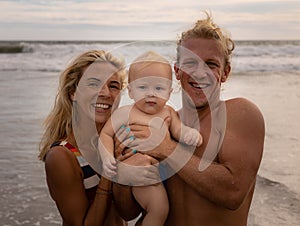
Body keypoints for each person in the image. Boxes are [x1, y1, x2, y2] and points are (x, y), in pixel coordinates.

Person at [113, 12, 265, 226]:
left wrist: (166, 148)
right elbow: (129, 211)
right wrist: (123, 172)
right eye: (190, 62)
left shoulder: (240, 113)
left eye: (211, 64)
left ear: (225, 72)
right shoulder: (163, 123)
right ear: (177, 70)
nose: (199, 72)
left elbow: (233, 191)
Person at [98, 51, 203, 226]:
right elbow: (106, 134)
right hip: (135, 171)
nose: (151, 94)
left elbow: (179, 130)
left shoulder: (168, 112)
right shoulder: (125, 113)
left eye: (159, 88)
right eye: (143, 87)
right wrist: (107, 156)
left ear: (169, 93)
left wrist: (190, 134)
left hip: (151, 174)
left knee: (159, 210)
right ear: (130, 91)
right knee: (159, 209)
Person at [39, 50, 130, 226]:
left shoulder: (120, 140)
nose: (104, 93)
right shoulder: (62, 155)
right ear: (73, 93)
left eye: (113, 86)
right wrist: (108, 173)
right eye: (94, 84)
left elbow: (129, 211)